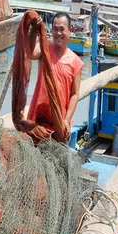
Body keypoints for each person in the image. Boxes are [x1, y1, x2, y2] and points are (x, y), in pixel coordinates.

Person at [27, 12, 84, 140]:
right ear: (51, 31)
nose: (58, 33)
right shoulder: (44, 48)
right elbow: (30, 53)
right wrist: (34, 31)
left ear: (70, 31)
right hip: (38, 119)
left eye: (62, 29)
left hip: (59, 125)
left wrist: (66, 120)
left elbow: (75, 94)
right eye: (55, 29)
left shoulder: (76, 62)